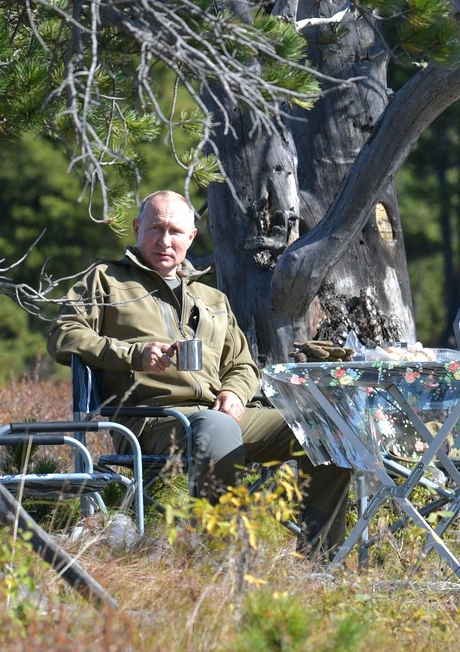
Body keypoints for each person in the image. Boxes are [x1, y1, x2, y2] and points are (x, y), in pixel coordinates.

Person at [48, 190, 351, 555]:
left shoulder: (211, 298)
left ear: (191, 237)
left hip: (218, 416)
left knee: (326, 429)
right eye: (155, 228)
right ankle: (219, 557)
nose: (164, 241)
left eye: (175, 231)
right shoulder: (106, 280)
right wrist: (134, 355)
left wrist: (235, 392)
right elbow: (63, 335)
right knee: (217, 427)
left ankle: (321, 560)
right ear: (137, 228)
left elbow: (242, 365)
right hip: (151, 422)